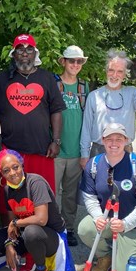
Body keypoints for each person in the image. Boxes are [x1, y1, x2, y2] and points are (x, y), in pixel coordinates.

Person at [0, 34, 66, 225]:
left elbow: (56, 110)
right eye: (20, 49)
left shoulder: (46, 78)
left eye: (29, 49)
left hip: (42, 150)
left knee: (42, 199)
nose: (25, 54)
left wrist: (56, 141)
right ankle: (10, 240)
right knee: (9, 202)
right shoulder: (0, 80)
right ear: (14, 54)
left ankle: (45, 240)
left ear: (35, 53)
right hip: (11, 152)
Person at [0, 149, 75, 271]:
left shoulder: (35, 182)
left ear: (22, 165)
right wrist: (9, 244)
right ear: (2, 174)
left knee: (31, 231)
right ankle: (27, 256)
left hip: (51, 236)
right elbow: (12, 225)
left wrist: (16, 223)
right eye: (6, 170)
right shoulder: (6, 190)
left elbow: (41, 219)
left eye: (15, 167)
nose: (12, 173)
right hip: (28, 234)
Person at [77, 123, 136, 271]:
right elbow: (90, 197)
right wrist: (98, 217)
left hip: (135, 225)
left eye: (119, 139)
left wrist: (125, 224)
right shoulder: (93, 165)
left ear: (126, 140)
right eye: (109, 139)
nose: (114, 143)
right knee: (85, 229)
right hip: (109, 219)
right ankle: (105, 256)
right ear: (102, 140)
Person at [80, 49, 136, 169]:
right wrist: (84, 154)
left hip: (125, 150)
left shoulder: (132, 93)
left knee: (125, 187)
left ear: (125, 74)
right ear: (106, 71)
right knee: (98, 187)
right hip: (98, 151)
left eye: (120, 71)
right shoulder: (94, 96)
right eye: (111, 70)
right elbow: (86, 128)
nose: (115, 75)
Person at [53, 45, 90, 246]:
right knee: (52, 192)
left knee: (70, 194)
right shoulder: (53, 83)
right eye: (71, 60)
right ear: (64, 62)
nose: (75, 64)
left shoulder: (84, 87)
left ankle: (68, 228)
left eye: (79, 61)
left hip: (77, 150)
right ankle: (54, 227)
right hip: (56, 149)